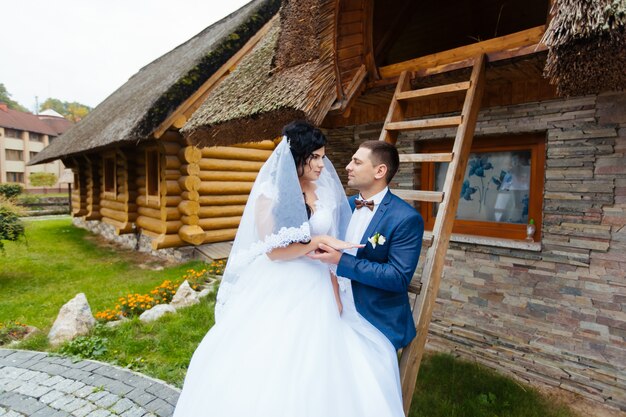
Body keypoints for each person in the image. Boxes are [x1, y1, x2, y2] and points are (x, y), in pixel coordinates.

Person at [172, 122, 405, 417]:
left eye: (323, 157)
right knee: (272, 355)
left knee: (329, 355)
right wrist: (316, 240)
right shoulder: (270, 193)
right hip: (281, 280)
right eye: (316, 157)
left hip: (319, 281)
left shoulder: (327, 193)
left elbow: (329, 249)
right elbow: (274, 252)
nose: (323, 164)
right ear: (298, 157)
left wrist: (335, 288)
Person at [309, 140, 424, 350]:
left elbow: (397, 277)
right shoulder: (343, 206)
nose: (347, 167)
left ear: (380, 171)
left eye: (356, 162)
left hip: (375, 317)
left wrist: (341, 260)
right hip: (333, 304)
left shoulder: (406, 218)